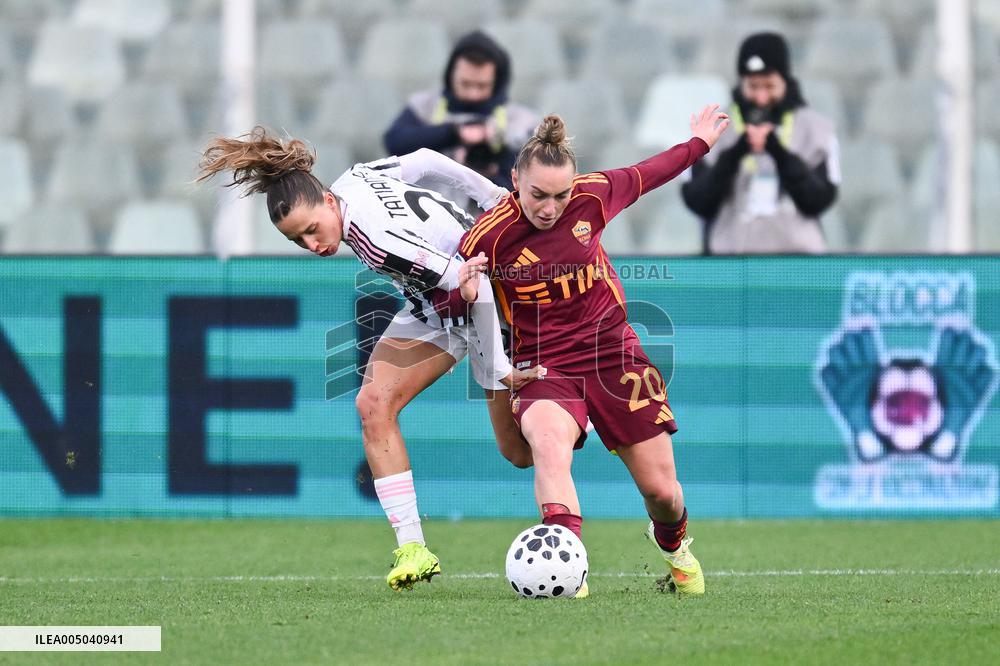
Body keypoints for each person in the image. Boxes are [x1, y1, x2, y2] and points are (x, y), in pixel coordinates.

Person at [197, 127, 541, 591]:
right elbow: (424, 158)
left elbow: (469, 286)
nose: (314, 246)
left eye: (312, 230)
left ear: (326, 201)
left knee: (518, 452)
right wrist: (492, 193)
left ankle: (591, 416)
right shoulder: (355, 179)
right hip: (439, 302)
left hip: (484, 301)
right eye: (299, 241)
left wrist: (497, 366)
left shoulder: (375, 240)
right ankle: (413, 548)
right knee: (373, 405)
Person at [436, 108, 730, 597]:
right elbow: (449, 301)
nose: (550, 208)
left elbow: (648, 174)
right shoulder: (488, 237)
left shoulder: (593, 195)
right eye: (538, 195)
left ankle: (676, 551)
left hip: (613, 352)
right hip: (545, 365)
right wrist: (464, 293)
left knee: (662, 493)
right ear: (514, 180)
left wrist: (697, 144)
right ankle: (570, 571)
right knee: (548, 449)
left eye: (560, 195)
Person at [681, 32, 840, 254]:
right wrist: (736, 153)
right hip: (731, 265)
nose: (761, 97)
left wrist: (778, 152)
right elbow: (697, 201)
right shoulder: (712, 129)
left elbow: (819, 200)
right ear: (741, 83)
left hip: (798, 264)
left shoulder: (816, 130)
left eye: (769, 86)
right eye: (753, 86)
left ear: (785, 81)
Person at [383, 30, 540, 207]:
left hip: (487, 226)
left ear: (497, 81)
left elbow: (529, 195)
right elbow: (393, 142)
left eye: (482, 86)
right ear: (451, 77)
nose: (473, 94)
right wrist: (453, 134)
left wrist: (490, 168)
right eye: (465, 84)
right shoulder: (426, 105)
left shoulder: (521, 121)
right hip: (425, 216)